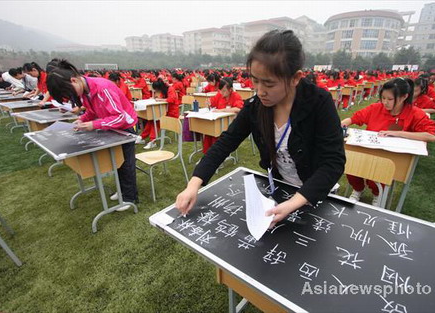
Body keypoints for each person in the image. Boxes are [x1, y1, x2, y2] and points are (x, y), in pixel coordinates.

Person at [175, 30, 345, 228]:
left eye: (269, 83)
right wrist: (194, 184)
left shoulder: (319, 103)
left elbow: (333, 162)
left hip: (315, 192)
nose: (260, 91)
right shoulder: (256, 106)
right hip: (281, 188)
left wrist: (295, 202)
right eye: (255, 80)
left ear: (295, 78)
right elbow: (226, 142)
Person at [46, 59, 139, 211]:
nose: (70, 97)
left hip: (126, 128)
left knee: (125, 164)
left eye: (68, 93)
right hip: (111, 126)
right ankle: (123, 190)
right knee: (116, 161)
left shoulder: (103, 88)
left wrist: (94, 124)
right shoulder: (85, 90)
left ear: (74, 80)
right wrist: (82, 119)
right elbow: (92, 111)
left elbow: (119, 117)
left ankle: (130, 198)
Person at [341, 78, 435, 206]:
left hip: (390, 157)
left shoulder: (414, 113)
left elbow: (430, 136)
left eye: (390, 99)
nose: (385, 102)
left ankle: (377, 194)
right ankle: (358, 189)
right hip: (369, 149)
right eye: (383, 98)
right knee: (352, 165)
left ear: (404, 97)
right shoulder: (376, 108)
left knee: (378, 174)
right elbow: (354, 118)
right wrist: (342, 124)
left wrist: (398, 134)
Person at [202, 78, 244, 153]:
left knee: (217, 133)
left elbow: (238, 108)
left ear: (230, 89)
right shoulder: (219, 94)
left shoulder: (236, 96)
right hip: (218, 122)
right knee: (209, 132)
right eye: (220, 90)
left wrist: (221, 110)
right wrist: (208, 103)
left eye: (224, 91)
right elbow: (212, 102)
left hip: (230, 123)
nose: (221, 92)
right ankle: (208, 155)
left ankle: (216, 155)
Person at [138, 78, 179, 149]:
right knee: (151, 120)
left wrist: (160, 99)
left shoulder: (170, 89)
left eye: (156, 90)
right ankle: (142, 137)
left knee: (156, 121)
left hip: (172, 113)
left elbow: (171, 100)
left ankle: (152, 141)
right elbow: (161, 99)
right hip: (164, 112)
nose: (156, 91)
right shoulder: (163, 91)